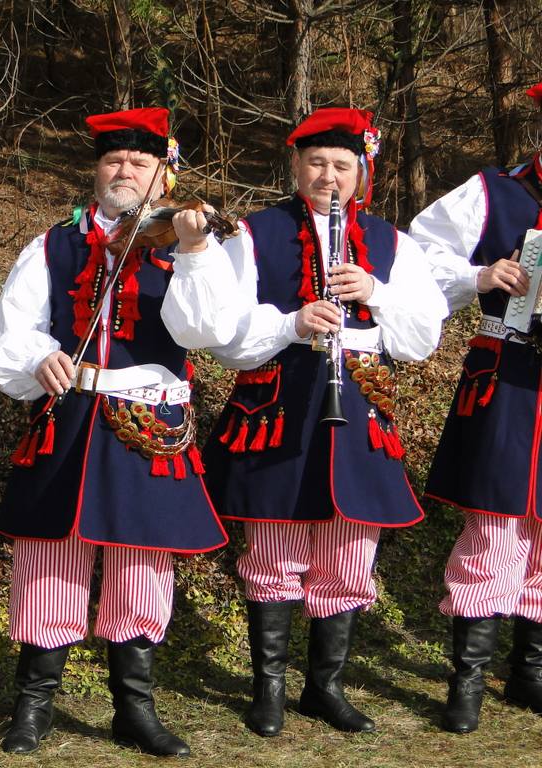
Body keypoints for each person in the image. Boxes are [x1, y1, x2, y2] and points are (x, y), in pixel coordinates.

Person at [0, 107, 239, 758]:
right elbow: (8, 335)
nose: (124, 170)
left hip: (150, 420)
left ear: (163, 174)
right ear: (97, 170)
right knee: (49, 560)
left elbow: (209, 332)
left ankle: (134, 710)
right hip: (70, 413)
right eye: (113, 159)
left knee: (142, 566)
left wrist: (195, 250)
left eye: (139, 161)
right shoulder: (53, 244)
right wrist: (37, 356)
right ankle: (33, 705)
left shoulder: (189, 242)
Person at [202, 108, 447, 737]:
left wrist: (376, 292)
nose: (328, 177)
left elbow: (422, 338)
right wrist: (291, 323)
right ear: (295, 165)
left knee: (348, 554)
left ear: (360, 172)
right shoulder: (254, 233)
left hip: (358, 410)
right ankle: (269, 690)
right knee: (273, 551)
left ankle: (324, 688)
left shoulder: (392, 243)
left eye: (342, 165)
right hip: (279, 408)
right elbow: (225, 336)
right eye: (316, 163)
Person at [408, 82, 542, 734]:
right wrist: (480, 276)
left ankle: (531, 670)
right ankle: (467, 680)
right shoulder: (494, 191)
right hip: (507, 375)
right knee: (494, 525)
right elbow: (417, 253)